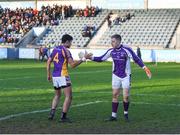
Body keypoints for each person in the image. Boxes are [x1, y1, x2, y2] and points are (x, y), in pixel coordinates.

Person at [85, 34, 152, 122]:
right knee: (115, 95)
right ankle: (113, 116)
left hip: (126, 76)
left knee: (126, 96)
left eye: (113, 41)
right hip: (115, 75)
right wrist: (91, 58)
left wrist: (145, 68)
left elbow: (136, 59)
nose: (112, 43)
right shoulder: (111, 51)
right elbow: (101, 58)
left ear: (119, 41)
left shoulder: (126, 50)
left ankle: (126, 114)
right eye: (111, 41)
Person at [47, 34, 86, 122]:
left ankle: (52, 114)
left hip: (55, 76)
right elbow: (72, 65)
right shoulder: (66, 51)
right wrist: (83, 59)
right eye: (71, 42)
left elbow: (48, 61)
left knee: (57, 95)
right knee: (69, 96)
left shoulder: (55, 49)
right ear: (67, 41)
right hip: (63, 75)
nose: (71, 44)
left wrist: (48, 74)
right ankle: (63, 117)